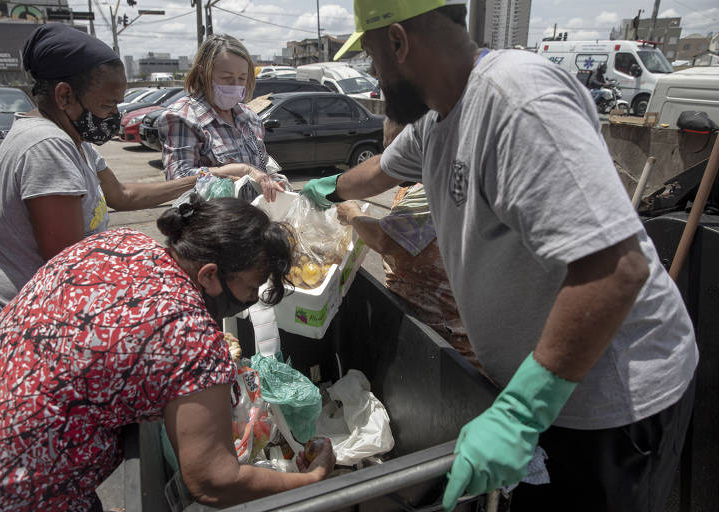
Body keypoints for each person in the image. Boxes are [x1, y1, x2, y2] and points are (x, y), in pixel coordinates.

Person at [301, 1, 698, 511]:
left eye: (373, 57)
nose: (372, 75)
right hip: (551, 395)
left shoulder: (516, 101)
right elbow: (379, 172)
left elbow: (615, 269)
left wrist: (519, 412)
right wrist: (330, 187)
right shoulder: (436, 122)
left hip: (610, 406)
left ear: (398, 43)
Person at [0, 196, 335, 511]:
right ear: (209, 275)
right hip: (5, 491)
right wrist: (309, 481)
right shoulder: (191, 338)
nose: (252, 300)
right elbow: (214, 481)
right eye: (251, 287)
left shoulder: (117, 243)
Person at [0, 23, 198, 346]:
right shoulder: (46, 146)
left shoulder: (75, 140)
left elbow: (122, 195)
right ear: (64, 95)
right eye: (107, 105)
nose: (114, 115)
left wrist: (199, 179)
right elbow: (71, 264)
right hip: (13, 335)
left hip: (42, 322)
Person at [335, 118, 484, 373]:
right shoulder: (411, 181)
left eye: (398, 148)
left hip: (451, 346)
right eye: (387, 147)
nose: (390, 159)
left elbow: (385, 239)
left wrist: (352, 214)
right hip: (416, 325)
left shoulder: (435, 187)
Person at [159, 34, 288, 202]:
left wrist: (276, 183)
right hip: (213, 223)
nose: (235, 85)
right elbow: (178, 181)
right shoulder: (181, 117)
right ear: (203, 73)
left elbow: (263, 167)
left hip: (253, 221)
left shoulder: (250, 118)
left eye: (242, 78)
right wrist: (240, 170)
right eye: (227, 78)